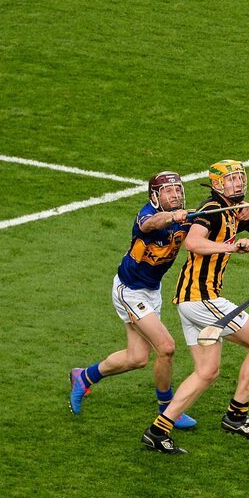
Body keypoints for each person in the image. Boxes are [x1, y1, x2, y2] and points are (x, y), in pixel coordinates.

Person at [141, 159, 249, 455]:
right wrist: (232, 246)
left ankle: (158, 431)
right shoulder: (212, 210)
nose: (237, 183)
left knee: (207, 371)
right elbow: (193, 243)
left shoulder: (236, 209)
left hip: (191, 301)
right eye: (231, 180)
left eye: (239, 178)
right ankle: (236, 415)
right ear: (218, 184)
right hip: (202, 299)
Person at [69, 171, 196, 429]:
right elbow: (151, 225)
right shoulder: (146, 215)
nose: (175, 195)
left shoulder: (187, 218)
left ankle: (83, 377)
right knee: (167, 347)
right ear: (155, 196)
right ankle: (169, 410)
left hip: (151, 291)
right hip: (129, 290)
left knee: (137, 358)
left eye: (178, 190)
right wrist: (173, 216)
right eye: (168, 191)